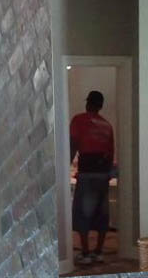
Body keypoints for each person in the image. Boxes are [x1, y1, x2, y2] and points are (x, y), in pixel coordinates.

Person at [70, 90, 115, 266]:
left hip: (87, 173)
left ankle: (86, 254)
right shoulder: (107, 126)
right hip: (103, 174)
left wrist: (64, 166)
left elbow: (72, 145)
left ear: (88, 103)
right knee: (102, 213)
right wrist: (108, 174)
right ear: (101, 106)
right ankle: (99, 252)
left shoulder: (78, 120)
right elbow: (111, 154)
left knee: (83, 212)